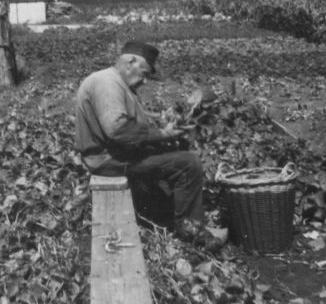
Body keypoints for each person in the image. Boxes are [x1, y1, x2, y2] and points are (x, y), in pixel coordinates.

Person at [75, 40, 223, 251]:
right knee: (188, 163)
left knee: (173, 152)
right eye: (143, 74)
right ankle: (194, 233)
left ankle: (174, 217)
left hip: (116, 155)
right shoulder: (106, 83)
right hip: (108, 161)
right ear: (130, 62)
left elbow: (128, 120)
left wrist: (159, 120)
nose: (144, 81)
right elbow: (118, 130)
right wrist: (163, 134)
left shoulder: (115, 82)